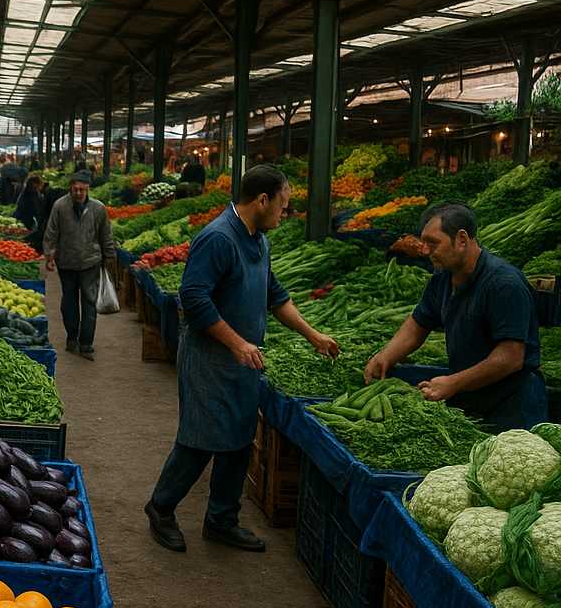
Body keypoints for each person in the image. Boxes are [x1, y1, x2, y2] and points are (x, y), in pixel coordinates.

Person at [146, 164, 339, 553]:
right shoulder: (218, 238)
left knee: (237, 442)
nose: (284, 215)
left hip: (243, 360)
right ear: (262, 200)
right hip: (210, 359)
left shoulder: (259, 240)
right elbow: (194, 298)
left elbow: (274, 294)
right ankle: (161, 507)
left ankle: (221, 519)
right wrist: (236, 343)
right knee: (200, 440)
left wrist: (312, 335)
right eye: (282, 206)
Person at [364, 201, 544, 431]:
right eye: (424, 242)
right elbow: (418, 324)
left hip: (511, 405)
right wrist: (386, 356)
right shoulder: (443, 278)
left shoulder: (504, 284)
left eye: (433, 243)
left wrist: (453, 382)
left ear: (461, 239)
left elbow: (510, 357)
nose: (425, 250)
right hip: (473, 395)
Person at [41, 171, 117, 359]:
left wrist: (110, 257)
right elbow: (51, 232)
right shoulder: (60, 206)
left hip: (90, 262)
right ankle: (72, 337)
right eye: (75, 189)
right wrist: (49, 256)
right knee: (69, 302)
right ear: (70, 188)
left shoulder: (98, 208)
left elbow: (106, 235)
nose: (78, 193)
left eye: (82, 189)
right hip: (66, 262)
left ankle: (86, 344)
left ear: (88, 189)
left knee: (89, 303)